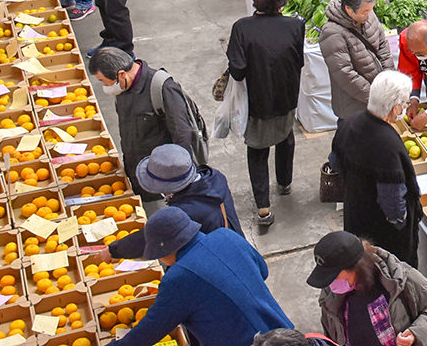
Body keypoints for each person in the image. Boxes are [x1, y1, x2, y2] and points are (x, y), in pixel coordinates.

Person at [105, 207, 290, 346]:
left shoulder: (178, 278)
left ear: (165, 249)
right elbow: (263, 271)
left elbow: (149, 331)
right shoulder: (226, 235)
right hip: (284, 336)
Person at [226, 0, 304, 227]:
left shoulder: (242, 27)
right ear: (283, 1)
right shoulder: (295, 26)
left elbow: (237, 69)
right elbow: (298, 60)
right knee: (285, 136)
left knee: (257, 150)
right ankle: (284, 183)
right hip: (285, 96)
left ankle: (263, 209)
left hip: (257, 101)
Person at [334, 70, 424, 264]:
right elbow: (392, 202)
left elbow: (335, 161)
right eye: (405, 103)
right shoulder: (387, 144)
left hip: (355, 215)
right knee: (387, 278)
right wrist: (402, 222)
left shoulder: (349, 124)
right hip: (384, 236)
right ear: (395, 107)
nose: (406, 107)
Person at [88, 46, 203, 198]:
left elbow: (184, 134)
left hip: (160, 175)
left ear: (121, 74)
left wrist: (176, 181)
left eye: (104, 81)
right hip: (136, 165)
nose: (105, 87)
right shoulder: (123, 87)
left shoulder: (162, 89)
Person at [100, 144, 243, 263]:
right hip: (236, 246)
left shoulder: (186, 211)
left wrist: (114, 250)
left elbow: (151, 237)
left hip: (217, 262)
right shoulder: (213, 177)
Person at [309, 231, 427, 346]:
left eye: (334, 275)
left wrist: (415, 333)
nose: (330, 282)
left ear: (355, 267)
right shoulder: (331, 297)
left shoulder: (398, 279)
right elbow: (331, 336)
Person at [320, 0, 393, 126]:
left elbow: (383, 46)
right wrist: (374, 96)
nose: (369, 14)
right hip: (352, 105)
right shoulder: (332, 33)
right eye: (364, 12)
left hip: (376, 99)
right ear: (349, 9)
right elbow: (345, 74)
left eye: (370, 10)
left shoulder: (369, 15)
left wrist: (389, 77)